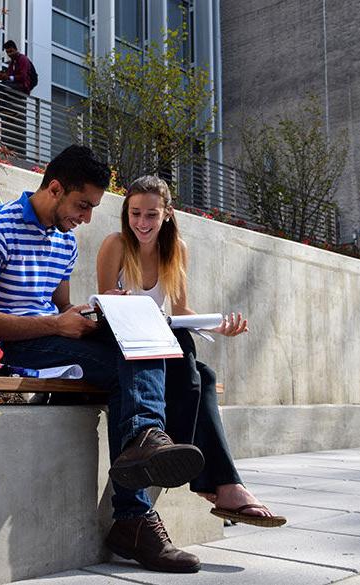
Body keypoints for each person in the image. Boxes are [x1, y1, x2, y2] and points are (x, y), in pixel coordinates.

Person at [0, 146, 206, 574]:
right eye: (83, 205)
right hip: (13, 346)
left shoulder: (64, 241)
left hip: (53, 339)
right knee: (130, 365)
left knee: (140, 335)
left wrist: (95, 317)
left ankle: (142, 452)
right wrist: (57, 325)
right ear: (55, 189)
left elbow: (62, 309)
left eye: (93, 207)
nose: (88, 218)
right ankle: (135, 503)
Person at [96, 175, 287, 528]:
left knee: (205, 373)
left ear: (167, 213)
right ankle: (220, 483)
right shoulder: (116, 245)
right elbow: (105, 307)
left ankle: (209, 476)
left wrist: (215, 325)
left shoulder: (177, 249)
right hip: (124, 343)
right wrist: (117, 299)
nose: (142, 222)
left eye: (151, 215)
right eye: (135, 213)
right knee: (191, 361)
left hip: (160, 343)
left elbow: (181, 311)